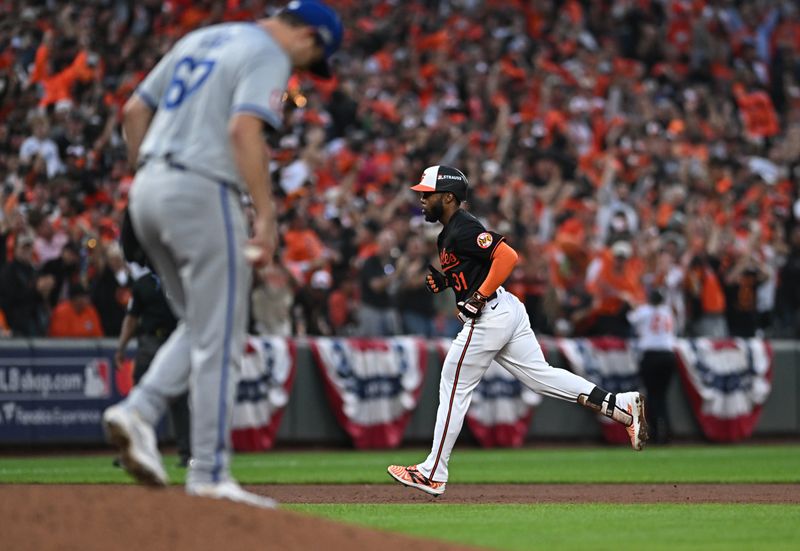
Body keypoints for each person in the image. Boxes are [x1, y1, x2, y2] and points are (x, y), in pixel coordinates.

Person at [102, 0, 342, 509]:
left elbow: (133, 111)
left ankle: (139, 410)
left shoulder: (201, 38)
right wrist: (266, 215)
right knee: (224, 338)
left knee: (202, 325)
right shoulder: (268, 52)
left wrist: (147, 177)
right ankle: (209, 472)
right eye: (309, 60)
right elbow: (242, 130)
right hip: (203, 189)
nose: (301, 70)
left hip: (148, 186)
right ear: (309, 37)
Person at [388, 165, 648, 496]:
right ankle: (620, 405)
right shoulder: (451, 231)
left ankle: (433, 471)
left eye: (427, 194)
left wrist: (478, 296)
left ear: (448, 197)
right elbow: (476, 267)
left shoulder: (462, 227)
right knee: (542, 377)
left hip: (492, 314)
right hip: (506, 309)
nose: (421, 200)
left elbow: (508, 257)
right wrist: (447, 280)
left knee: (453, 383)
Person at [115, 269, 190, 467]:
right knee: (141, 396)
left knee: (179, 400)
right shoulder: (144, 283)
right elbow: (131, 318)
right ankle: (131, 451)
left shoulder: (180, 279)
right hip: (152, 341)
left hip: (174, 340)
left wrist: (121, 348)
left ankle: (187, 454)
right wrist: (121, 347)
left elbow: (131, 320)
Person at [628, 289, 678, 444]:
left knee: (652, 394)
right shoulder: (668, 311)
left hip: (651, 354)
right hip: (669, 354)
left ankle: (655, 432)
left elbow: (631, 319)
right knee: (662, 395)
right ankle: (667, 431)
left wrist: (631, 303)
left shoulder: (644, 310)